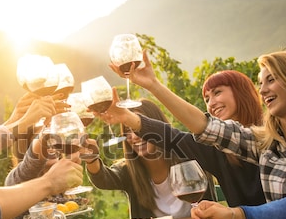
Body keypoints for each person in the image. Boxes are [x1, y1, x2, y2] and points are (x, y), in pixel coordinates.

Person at [113, 49, 286, 219]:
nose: (264, 89)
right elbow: (196, 129)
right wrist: (140, 101)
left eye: (272, 79)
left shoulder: (259, 143)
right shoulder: (262, 143)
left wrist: (236, 215)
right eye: (206, 98)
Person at [99, 70, 266, 208]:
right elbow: (172, 138)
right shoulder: (215, 149)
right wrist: (128, 118)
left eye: (217, 92)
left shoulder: (270, 138)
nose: (211, 103)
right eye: (206, 99)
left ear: (241, 91)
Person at [86, 99, 216, 219]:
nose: (134, 137)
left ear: (154, 126)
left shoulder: (188, 158)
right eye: (127, 130)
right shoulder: (129, 171)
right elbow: (104, 179)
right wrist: (91, 159)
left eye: (137, 128)